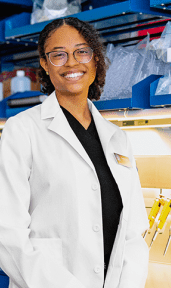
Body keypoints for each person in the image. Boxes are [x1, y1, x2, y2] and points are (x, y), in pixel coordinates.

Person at [0, 17, 149, 288]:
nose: (72, 63)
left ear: (94, 60)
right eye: (58, 55)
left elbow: (133, 233)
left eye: (81, 52)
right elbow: (7, 233)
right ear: (44, 65)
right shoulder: (22, 130)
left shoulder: (118, 139)